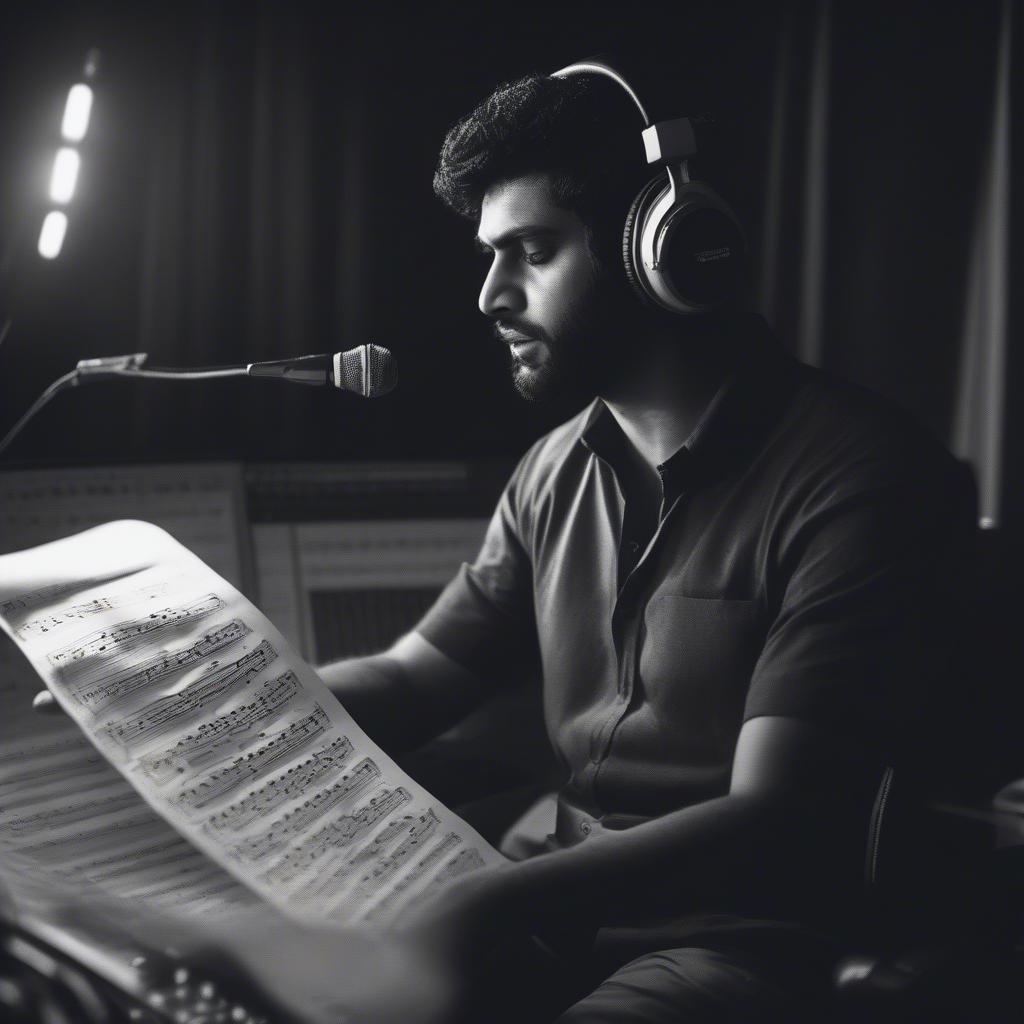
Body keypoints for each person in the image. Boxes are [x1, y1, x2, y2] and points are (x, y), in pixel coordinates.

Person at [316, 66, 976, 1023]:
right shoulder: (551, 470)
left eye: (531, 252)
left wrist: (483, 899)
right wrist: (191, 712)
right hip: (547, 900)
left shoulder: (862, 478)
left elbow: (774, 815)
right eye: (490, 256)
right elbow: (418, 677)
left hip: (736, 942)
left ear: (656, 252)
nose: (491, 296)